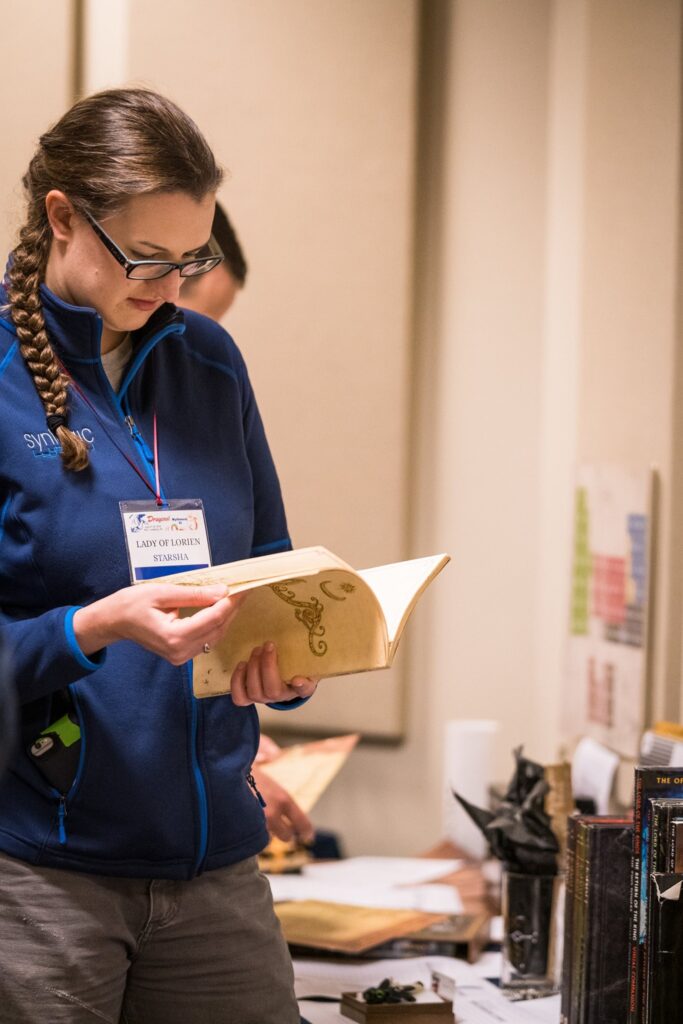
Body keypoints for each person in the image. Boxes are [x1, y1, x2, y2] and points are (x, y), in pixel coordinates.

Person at [0, 87, 319, 1024]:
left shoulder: (210, 362)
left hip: (217, 862)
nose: (172, 288)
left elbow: (268, 559)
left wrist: (290, 658)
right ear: (63, 216)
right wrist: (94, 628)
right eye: (147, 258)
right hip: (43, 872)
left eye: (194, 258)